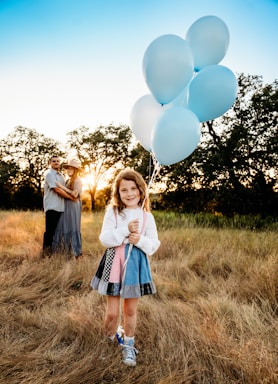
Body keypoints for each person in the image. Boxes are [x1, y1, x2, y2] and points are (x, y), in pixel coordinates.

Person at [91, 168, 160, 367]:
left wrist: (139, 240)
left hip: (135, 265)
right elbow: (104, 239)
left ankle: (129, 345)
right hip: (114, 262)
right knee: (112, 313)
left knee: (130, 310)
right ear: (118, 193)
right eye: (124, 190)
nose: (129, 194)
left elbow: (154, 245)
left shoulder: (147, 217)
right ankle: (108, 341)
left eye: (133, 188)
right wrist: (124, 230)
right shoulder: (113, 212)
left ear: (141, 190)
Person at [42, 155, 77, 257]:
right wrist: (71, 198)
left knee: (58, 232)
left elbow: (64, 188)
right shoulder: (49, 174)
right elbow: (57, 190)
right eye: (54, 161)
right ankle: (46, 254)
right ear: (50, 163)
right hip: (52, 207)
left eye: (58, 161)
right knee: (50, 232)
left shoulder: (61, 176)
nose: (56, 163)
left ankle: (56, 252)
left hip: (61, 208)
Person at [52, 158, 83, 258]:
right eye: (68, 169)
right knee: (62, 226)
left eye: (71, 169)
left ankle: (75, 251)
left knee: (72, 227)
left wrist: (62, 187)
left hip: (73, 206)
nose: (69, 171)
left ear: (75, 170)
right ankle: (63, 250)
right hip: (66, 205)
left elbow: (75, 194)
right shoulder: (68, 180)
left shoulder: (78, 180)